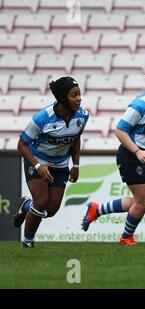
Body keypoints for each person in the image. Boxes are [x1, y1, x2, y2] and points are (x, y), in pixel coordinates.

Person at [81, 58, 145, 245]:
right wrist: (138, 151)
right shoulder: (139, 105)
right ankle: (126, 237)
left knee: (140, 201)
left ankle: (96, 210)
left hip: (143, 155)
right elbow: (119, 130)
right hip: (131, 155)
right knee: (143, 202)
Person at [13, 76, 89, 248]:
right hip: (37, 161)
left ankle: (26, 205)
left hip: (61, 165)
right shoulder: (42, 118)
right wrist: (38, 166)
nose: (79, 99)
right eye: (73, 95)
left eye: (79, 94)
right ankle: (28, 242)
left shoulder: (82, 116)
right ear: (63, 98)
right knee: (40, 203)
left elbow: (76, 139)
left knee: (51, 211)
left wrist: (75, 165)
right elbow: (21, 145)